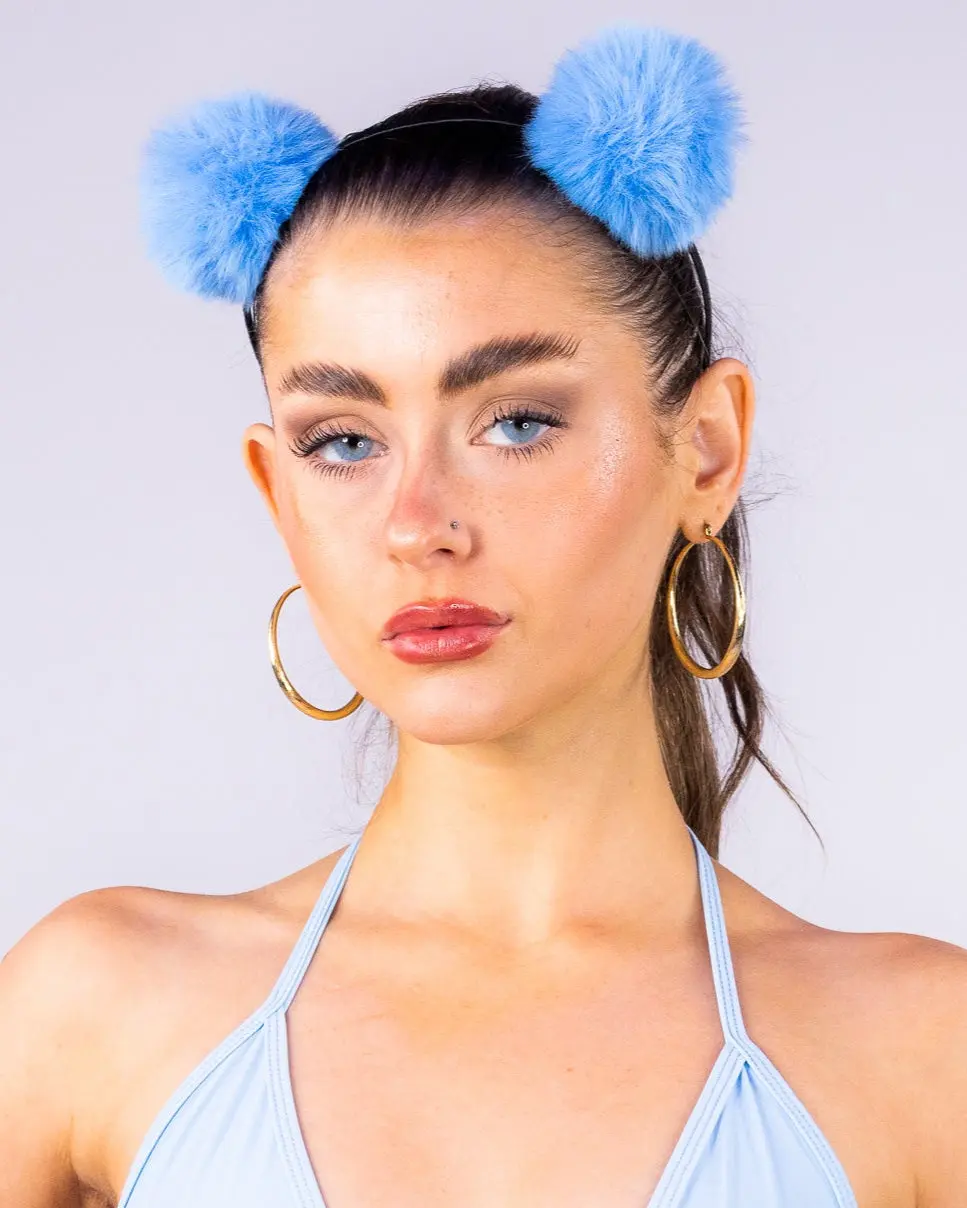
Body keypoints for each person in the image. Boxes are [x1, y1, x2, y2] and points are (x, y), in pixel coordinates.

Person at [1, 23, 965, 1208]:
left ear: (707, 450)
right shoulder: (92, 1010)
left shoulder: (920, 1055)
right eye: (341, 441)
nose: (418, 524)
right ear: (275, 490)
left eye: (515, 422)